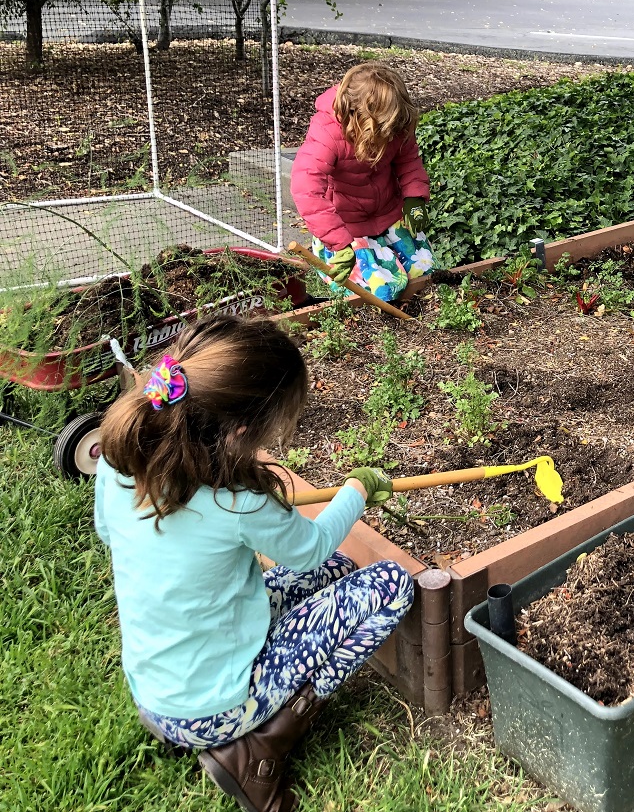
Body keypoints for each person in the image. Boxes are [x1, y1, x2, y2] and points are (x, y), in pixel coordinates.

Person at [94, 316, 412, 812]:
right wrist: (358, 489)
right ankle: (258, 746)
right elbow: (310, 548)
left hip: (154, 692)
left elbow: (108, 532)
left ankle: (222, 715)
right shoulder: (236, 503)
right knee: (389, 584)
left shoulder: (121, 463)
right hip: (213, 707)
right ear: (242, 430)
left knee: (341, 572)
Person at [290, 62, 435, 302]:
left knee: (425, 272)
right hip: (349, 229)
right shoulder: (328, 132)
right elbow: (306, 189)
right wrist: (338, 242)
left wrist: (414, 198)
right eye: (385, 128)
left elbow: (408, 160)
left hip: (388, 215)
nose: (392, 134)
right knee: (385, 289)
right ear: (360, 116)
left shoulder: (395, 124)